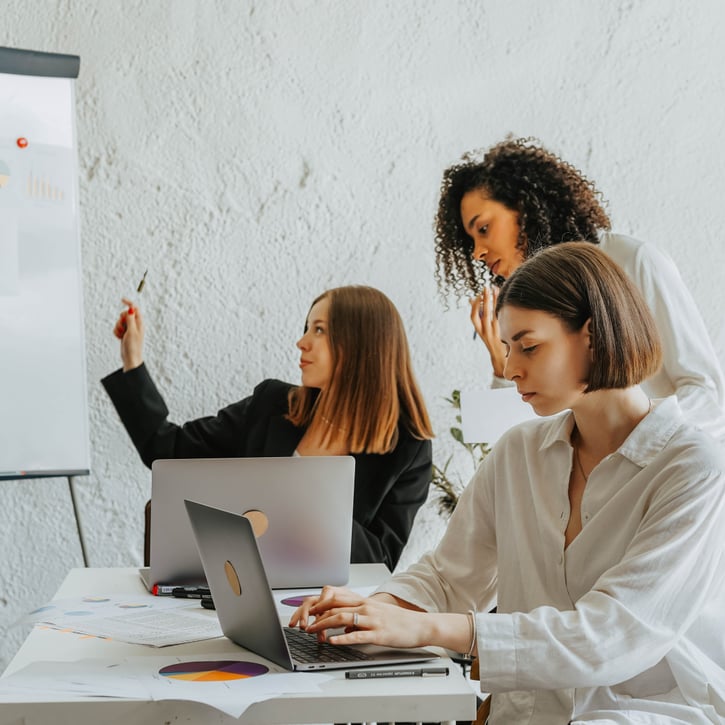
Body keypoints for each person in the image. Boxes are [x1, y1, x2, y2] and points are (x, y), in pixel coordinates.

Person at [290, 244, 725, 724]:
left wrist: (426, 628)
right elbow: (451, 575)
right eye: (506, 347)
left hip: (641, 713)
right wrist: (372, 610)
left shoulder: (692, 468)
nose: (512, 367)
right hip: (526, 713)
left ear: (594, 335)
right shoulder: (519, 450)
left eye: (529, 346)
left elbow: (612, 636)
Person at [102, 285, 434, 570]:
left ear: (362, 345)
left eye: (319, 330)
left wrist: (308, 497)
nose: (301, 342)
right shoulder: (272, 404)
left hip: (324, 610)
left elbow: (380, 562)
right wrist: (133, 361)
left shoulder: (408, 448)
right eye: (307, 327)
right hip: (238, 589)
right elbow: (165, 450)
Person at [434, 136, 725, 443]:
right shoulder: (524, 307)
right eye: (471, 241)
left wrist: (634, 445)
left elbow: (709, 395)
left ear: (525, 207)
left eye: (483, 229)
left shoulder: (633, 262)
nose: (477, 252)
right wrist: (501, 360)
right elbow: (516, 442)